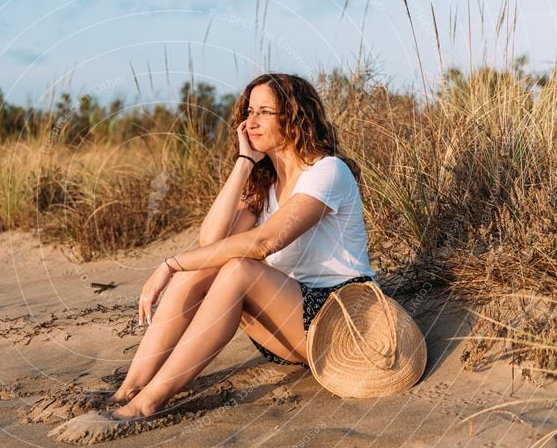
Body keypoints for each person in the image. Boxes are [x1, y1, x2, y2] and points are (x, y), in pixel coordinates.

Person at [108, 73, 377, 421]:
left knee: (238, 269)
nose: (251, 122)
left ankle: (148, 403)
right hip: (292, 327)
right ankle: (129, 388)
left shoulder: (328, 172)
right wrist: (244, 163)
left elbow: (264, 243)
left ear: (295, 117)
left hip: (344, 321)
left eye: (265, 111)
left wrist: (170, 264)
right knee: (210, 264)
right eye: (249, 111)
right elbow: (212, 242)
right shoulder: (266, 183)